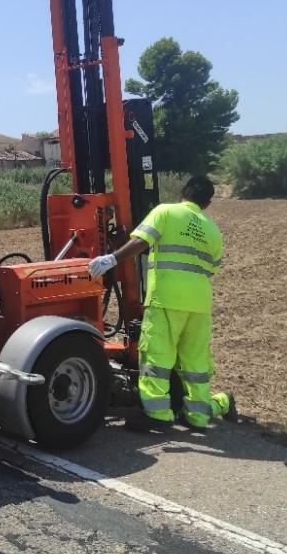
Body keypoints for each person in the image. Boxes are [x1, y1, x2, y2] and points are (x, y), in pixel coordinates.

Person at [87, 176, 237, 433]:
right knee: (195, 363)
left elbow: (142, 241)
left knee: (156, 357)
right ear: (208, 203)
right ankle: (201, 415)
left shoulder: (166, 211)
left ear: (182, 192)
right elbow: (209, 269)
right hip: (200, 304)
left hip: (166, 299)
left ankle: (157, 415)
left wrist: (112, 258)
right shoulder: (212, 231)